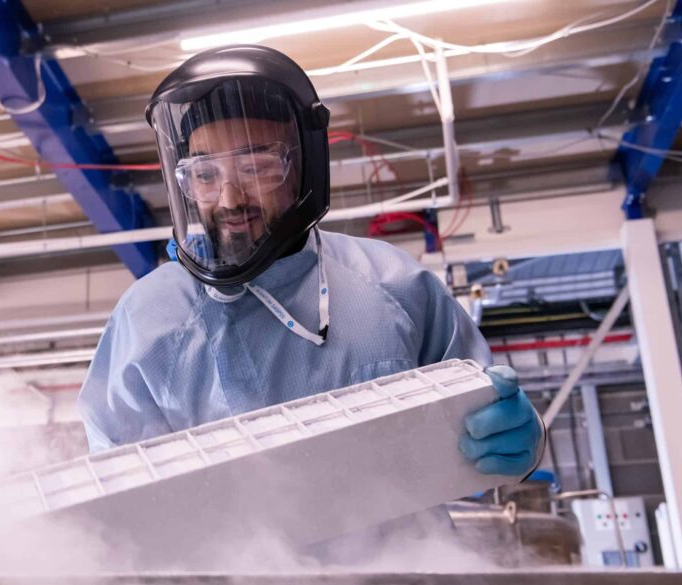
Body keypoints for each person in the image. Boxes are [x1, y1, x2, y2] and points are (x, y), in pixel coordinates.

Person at [78, 45, 542, 483]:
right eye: (203, 175)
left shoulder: (394, 285)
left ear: (305, 166)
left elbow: (483, 438)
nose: (229, 199)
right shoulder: (147, 319)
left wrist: (523, 441)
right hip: (227, 570)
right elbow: (120, 497)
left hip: (410, 564)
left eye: (256, 167)